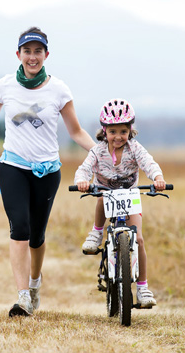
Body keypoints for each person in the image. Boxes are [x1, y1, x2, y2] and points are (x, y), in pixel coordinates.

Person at [0, 27, 96, 317]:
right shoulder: (5, 86)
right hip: (12, 166)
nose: (32, 57)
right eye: (27, 51)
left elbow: (76, 131)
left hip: (47, 170)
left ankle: (34, 283)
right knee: (19, 227)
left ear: (46, 55)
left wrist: (100, 156)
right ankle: (22, 298)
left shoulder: (59, 90)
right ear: (18, 54)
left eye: (38, 51)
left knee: (37, 236)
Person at [74, 98, 167, 307]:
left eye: (123, 131)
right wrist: (82, 181)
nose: (118, 137)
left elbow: (148, 162)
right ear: (104, 130)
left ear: (130, 130)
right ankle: (97, 232)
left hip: (131, 196)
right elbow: (85, 168)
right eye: (113, 131)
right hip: (106, 194)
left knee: (139, 240)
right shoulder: (97, 151)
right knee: (100, 197)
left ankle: (142, 288)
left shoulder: (135, 148)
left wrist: (157, 178)